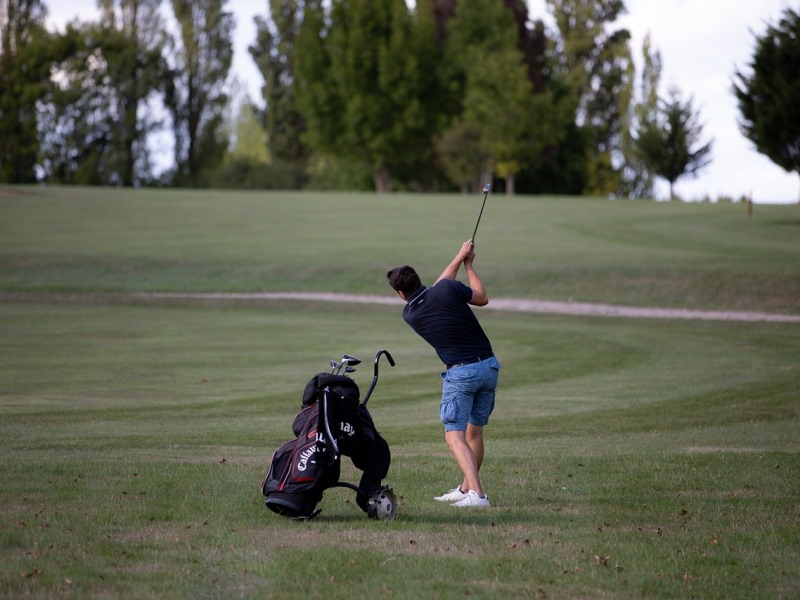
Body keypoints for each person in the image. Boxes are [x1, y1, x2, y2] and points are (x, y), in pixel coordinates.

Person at [386, 240, 500, 508]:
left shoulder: (411, 313)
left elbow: (437, 288)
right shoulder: (447, 289)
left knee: (453, 436)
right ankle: (466, 488)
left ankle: (478, 496)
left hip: (462, 374)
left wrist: (461, 259)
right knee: (474, 435)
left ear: (401, 293)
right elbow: (480, 297)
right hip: (489, 367)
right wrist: (467, 264)